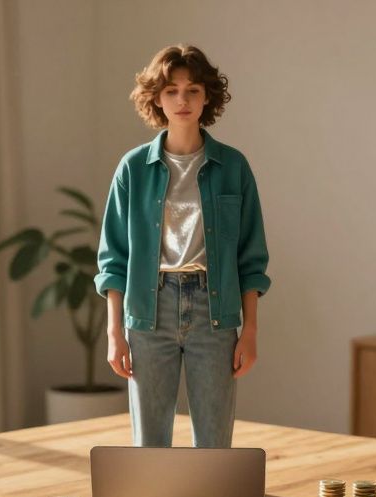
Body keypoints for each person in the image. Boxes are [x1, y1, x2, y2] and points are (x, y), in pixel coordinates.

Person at [95, 44, 270, 448]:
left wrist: (251, 330)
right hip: (148, 311)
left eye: (192, 90)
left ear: (207, 95)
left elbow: (251, 258)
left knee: (214, 442)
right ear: (157, 98)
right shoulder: (133, 169)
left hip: (215, 312)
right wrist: (114, 332)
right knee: (150, 443)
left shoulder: (234, 167)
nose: (182, 100)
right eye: (172, 90)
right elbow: (113, 258)